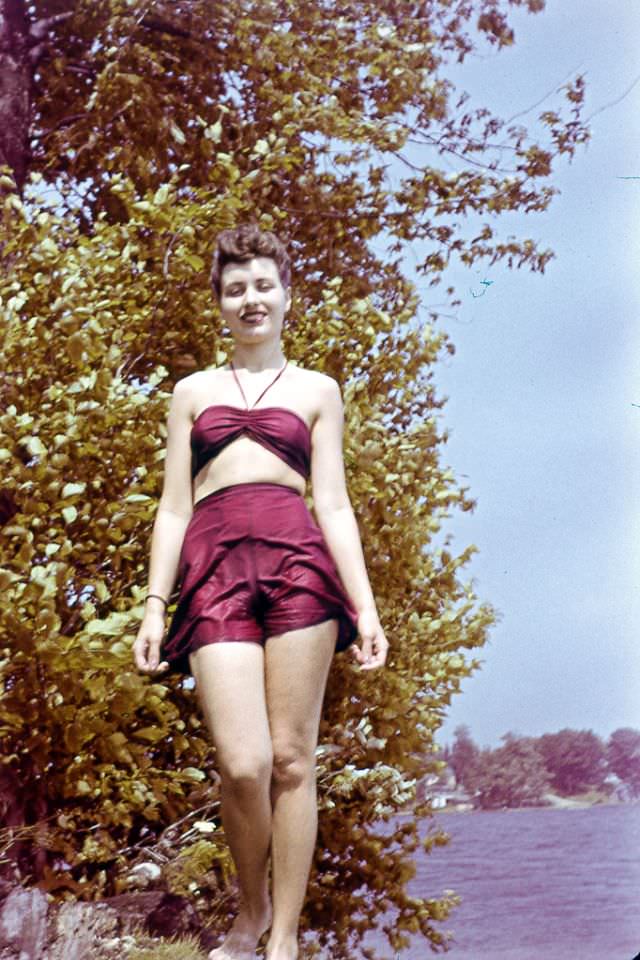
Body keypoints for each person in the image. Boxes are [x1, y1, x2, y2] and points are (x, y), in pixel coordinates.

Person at [133, 224, 389, 960]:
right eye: (236, 287)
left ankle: (280, 939)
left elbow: (333, 504)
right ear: (219, 303)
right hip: (212, 568)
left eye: (263, 285)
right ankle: (251, 909)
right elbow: (174, 506)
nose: (252, 299)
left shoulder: (318, 391)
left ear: (286, 294)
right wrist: (155, 606)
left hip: (299, 567)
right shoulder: (191, 393)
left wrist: (365, 608)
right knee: (241, 763)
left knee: (291, 760)